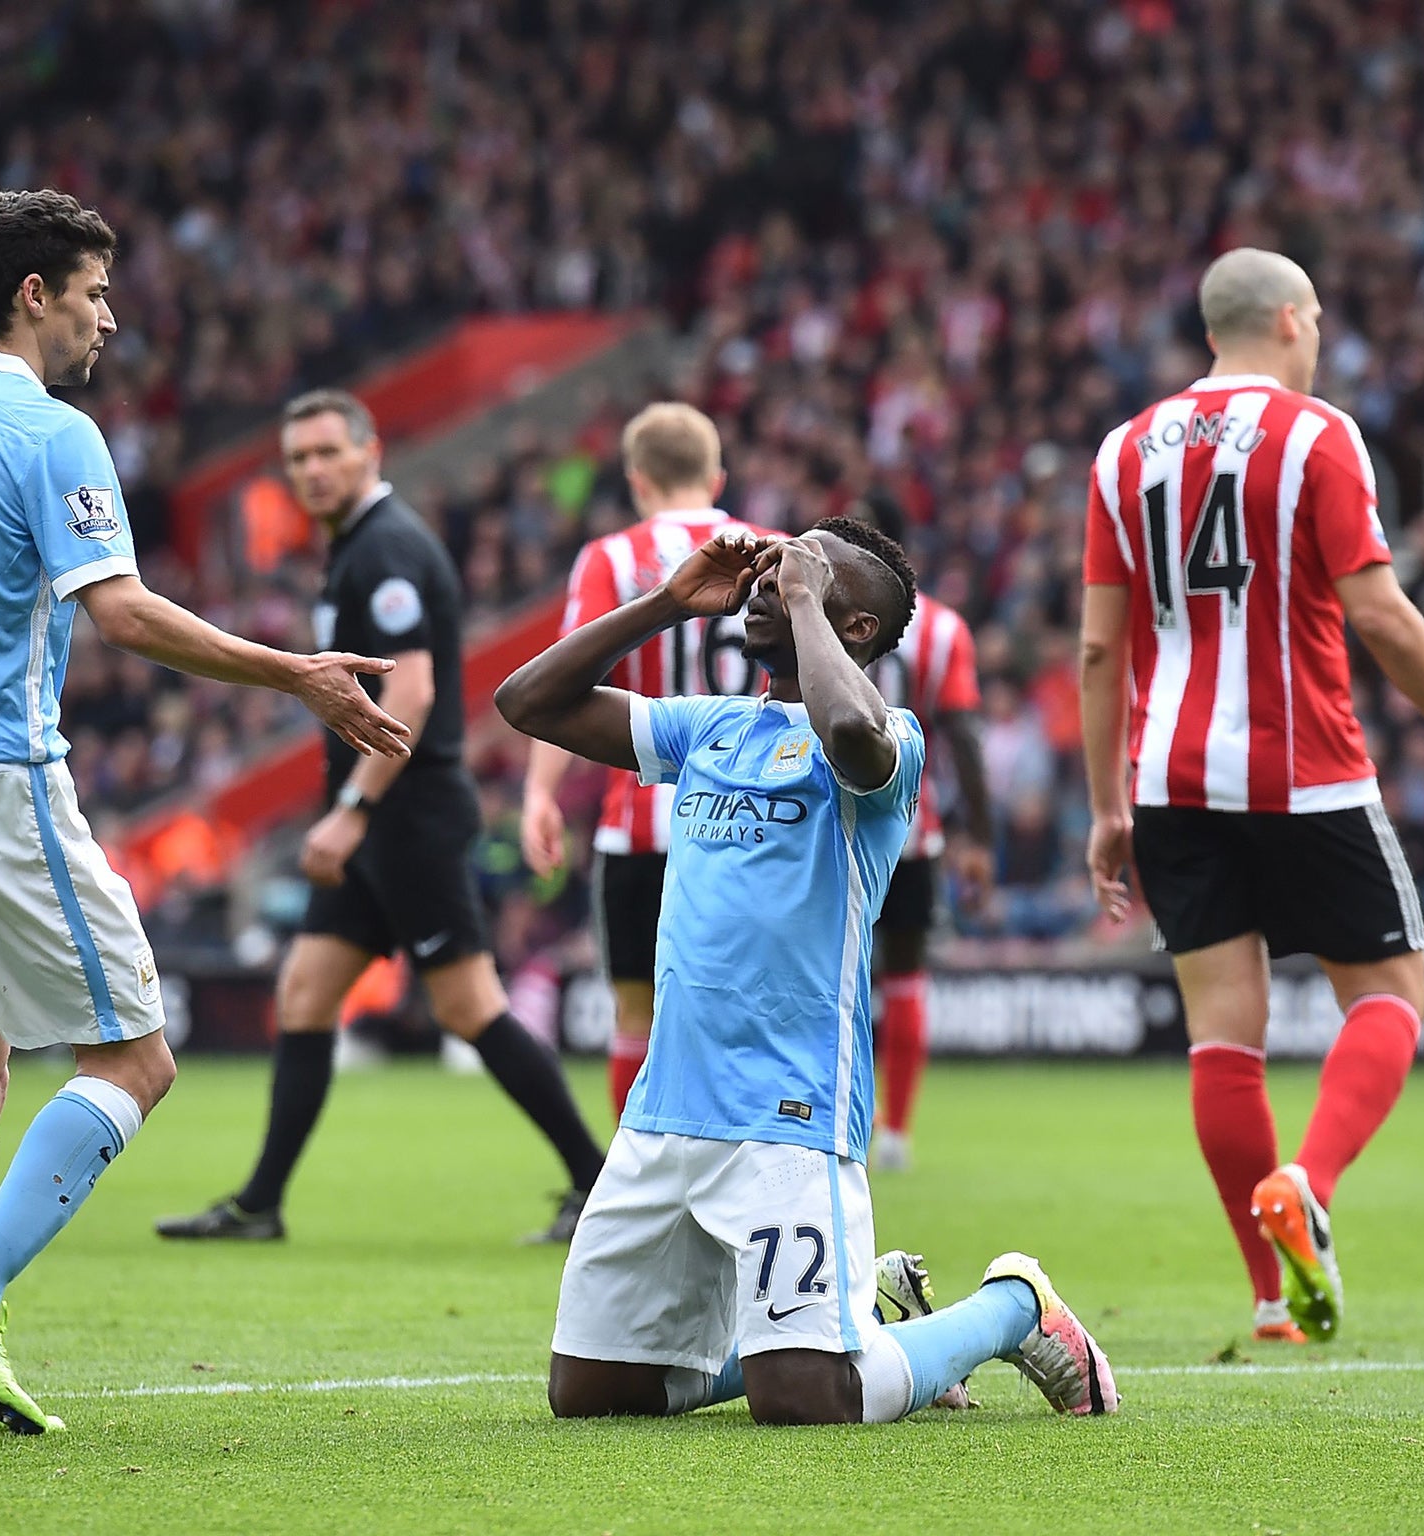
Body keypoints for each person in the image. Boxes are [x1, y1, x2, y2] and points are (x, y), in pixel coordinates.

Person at [0, 191, 410, 1437]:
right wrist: (293, 669)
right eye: (92, 293)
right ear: (35, 295)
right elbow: (122, 614)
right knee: (135, 1058)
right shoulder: (51, 430)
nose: (107, 321)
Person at [497, 521, 1118, 1425]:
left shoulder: (889, 743)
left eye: (809, 569)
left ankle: (1012, 1308)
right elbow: (530, 703)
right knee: (592, 1394)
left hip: (786, 1113)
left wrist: (800, 595)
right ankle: (852, 1312)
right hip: (665, 1108)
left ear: (855, 627)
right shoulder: (707, 728)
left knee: (812, 1402)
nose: (773, 575)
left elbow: (849, 732)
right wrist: (668, 604)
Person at [1079, 248, 1424, 1346]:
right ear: (1286, 319)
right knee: (1389, 994)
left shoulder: (1121, 450)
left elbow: (1097, 649)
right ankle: (1306, 1184)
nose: (1316, 337)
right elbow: (1375, 612)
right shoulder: (1316, 435)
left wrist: (1104, 805)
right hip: (1301, 766)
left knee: (1222, 1035)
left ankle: (1271, 1300)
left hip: (1169, 778)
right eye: (1314, 319)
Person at [154, 390, 606, 1247]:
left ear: (371, 452)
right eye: (298, 459)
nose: (313, 470)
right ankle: (260, 1206)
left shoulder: (388, 549)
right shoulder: (356, 548)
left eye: (328, 452)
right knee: (305, 992)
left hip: (409, 816)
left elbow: (415, 688)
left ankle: (598, 1185)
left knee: (471, 1007)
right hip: (381, 820)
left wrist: (353, 811)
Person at [519, 402, 778, 1121]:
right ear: (718, 474)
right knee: (751, 1008)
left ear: (637, 480)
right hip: (760, 818)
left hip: (642, 820)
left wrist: (541, 794)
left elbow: (566, 681)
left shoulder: (613, 557)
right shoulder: (781, 547)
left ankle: (632, 1183)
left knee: (635, 1011)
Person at [857, 500, 993, 1174]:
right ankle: (898, 1134)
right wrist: (980, 836)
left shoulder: (820, 611)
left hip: (830, 827)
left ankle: (843, 1116)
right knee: (907, 977)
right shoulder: (941, 628)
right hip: (912, 829)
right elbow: (963, 735)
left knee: (836, 977)